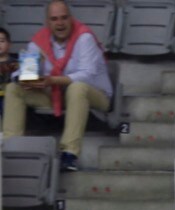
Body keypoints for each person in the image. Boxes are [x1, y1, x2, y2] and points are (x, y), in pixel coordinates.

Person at [2, 0, 112, 169]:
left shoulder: (84, 38)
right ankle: (9, 148)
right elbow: (22, 72)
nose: (60, 23)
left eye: (64, 18)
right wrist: (26, 80)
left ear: (71, 19)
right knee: (12, 88)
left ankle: (69, 154)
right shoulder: (40, 41)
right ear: (48, 22)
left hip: (96, 95)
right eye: (54, 19)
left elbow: (87, 75)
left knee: (77, 87)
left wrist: (52, 80)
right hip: (57, 95)